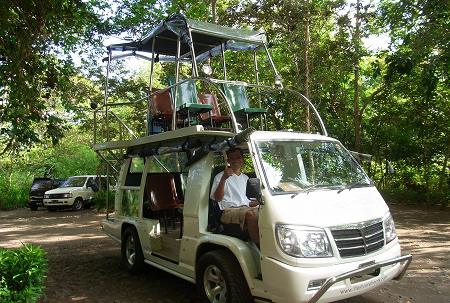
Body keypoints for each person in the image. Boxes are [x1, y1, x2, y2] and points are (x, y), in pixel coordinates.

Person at [210, 148, 259, 244]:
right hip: (228, 211)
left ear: (242, 159)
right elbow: (217, 198)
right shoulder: (220, 176)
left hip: (245, 208)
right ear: (228, 161)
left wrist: (260, 202)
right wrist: (224, 178)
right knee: (251, 215)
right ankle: (258, 245)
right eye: (232, 158)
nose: (235, 160)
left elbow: (247, 201)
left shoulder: (245, 178)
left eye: (238, 157)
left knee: (267, 211)